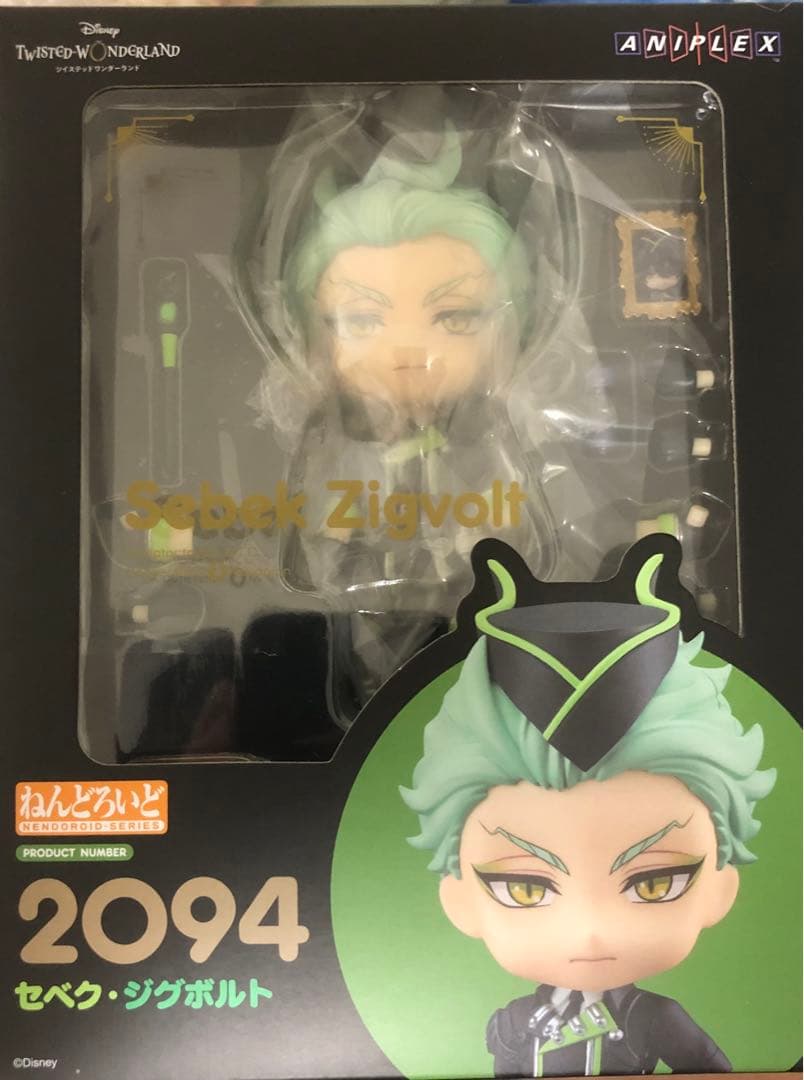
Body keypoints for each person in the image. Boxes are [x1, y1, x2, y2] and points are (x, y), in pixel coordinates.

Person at [401, 552, 775, 1076]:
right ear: (459, 900)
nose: (589, 929)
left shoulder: (654, 1019)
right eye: (524, 889)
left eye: (654, 884)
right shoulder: (515, 1023)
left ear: (719, 887)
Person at [276, 125, 560, 723]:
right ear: (315, 335)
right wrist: (345, 545)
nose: (407, 352)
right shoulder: (338, 445)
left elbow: (523, 537)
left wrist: (478, 535)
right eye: (362, 321)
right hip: (363, 615)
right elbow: (317, 541)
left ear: (507, 329)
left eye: (454, 317)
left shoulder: (490, 442)